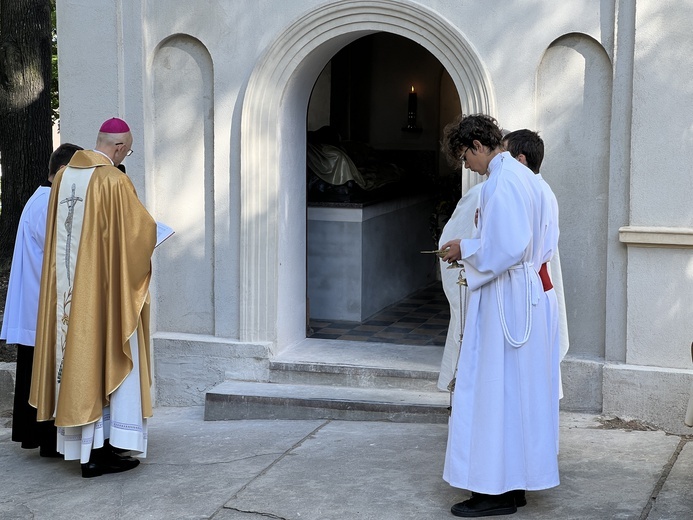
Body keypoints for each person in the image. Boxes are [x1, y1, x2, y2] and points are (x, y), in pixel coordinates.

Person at [439, 114, 559, 517]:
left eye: (464, 157)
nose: (467, 167)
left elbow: (508, 244)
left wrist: (465, 250)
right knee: (516, 395)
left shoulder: (503, 180)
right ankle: (514, 484)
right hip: (522, 295)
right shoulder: (530, 179)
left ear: (476, 144)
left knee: (490, 392)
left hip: (505, 296)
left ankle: (492, 493)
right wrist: (476, 246)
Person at [29, 117, 157, 478]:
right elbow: (139, 236)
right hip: (102, 297)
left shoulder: (64, 178)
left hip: (67, 298)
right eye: (126, 150)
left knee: (76, 361)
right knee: (103, 359)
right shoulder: (114, 181)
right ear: (118, 148)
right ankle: (98, 454)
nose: (124, 156)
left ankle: (88, 449)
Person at [1, 143, 83, 457]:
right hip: (44, 306)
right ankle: (49, 441)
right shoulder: (51, 203)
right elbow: (66, 254)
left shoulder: (41, 198)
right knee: (46, 375)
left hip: (37, 303)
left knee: (34, 371)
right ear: (64, 172)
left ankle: (39, 437)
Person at [502, 129, 568, 454]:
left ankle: (527, 457)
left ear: (520, 159)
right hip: (538, 289)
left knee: (525, 385)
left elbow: (515, 247)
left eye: (505, 156)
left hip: (528, 293)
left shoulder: (530, 192)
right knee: (534, 383)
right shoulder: (543, 190)